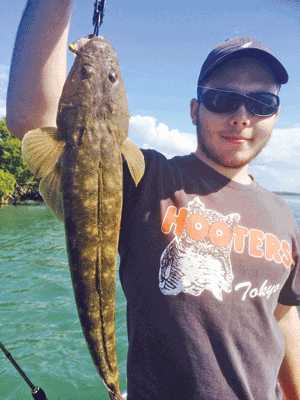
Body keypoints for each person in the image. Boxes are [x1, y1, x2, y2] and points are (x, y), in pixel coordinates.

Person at [7, 1, 300, 399]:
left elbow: (281, 316)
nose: (242, 115)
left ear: (276, 114)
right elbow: (32, 119)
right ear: (194, 110)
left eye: (262, 102)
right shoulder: (148, 179)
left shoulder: (283, 214)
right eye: (222, 99)